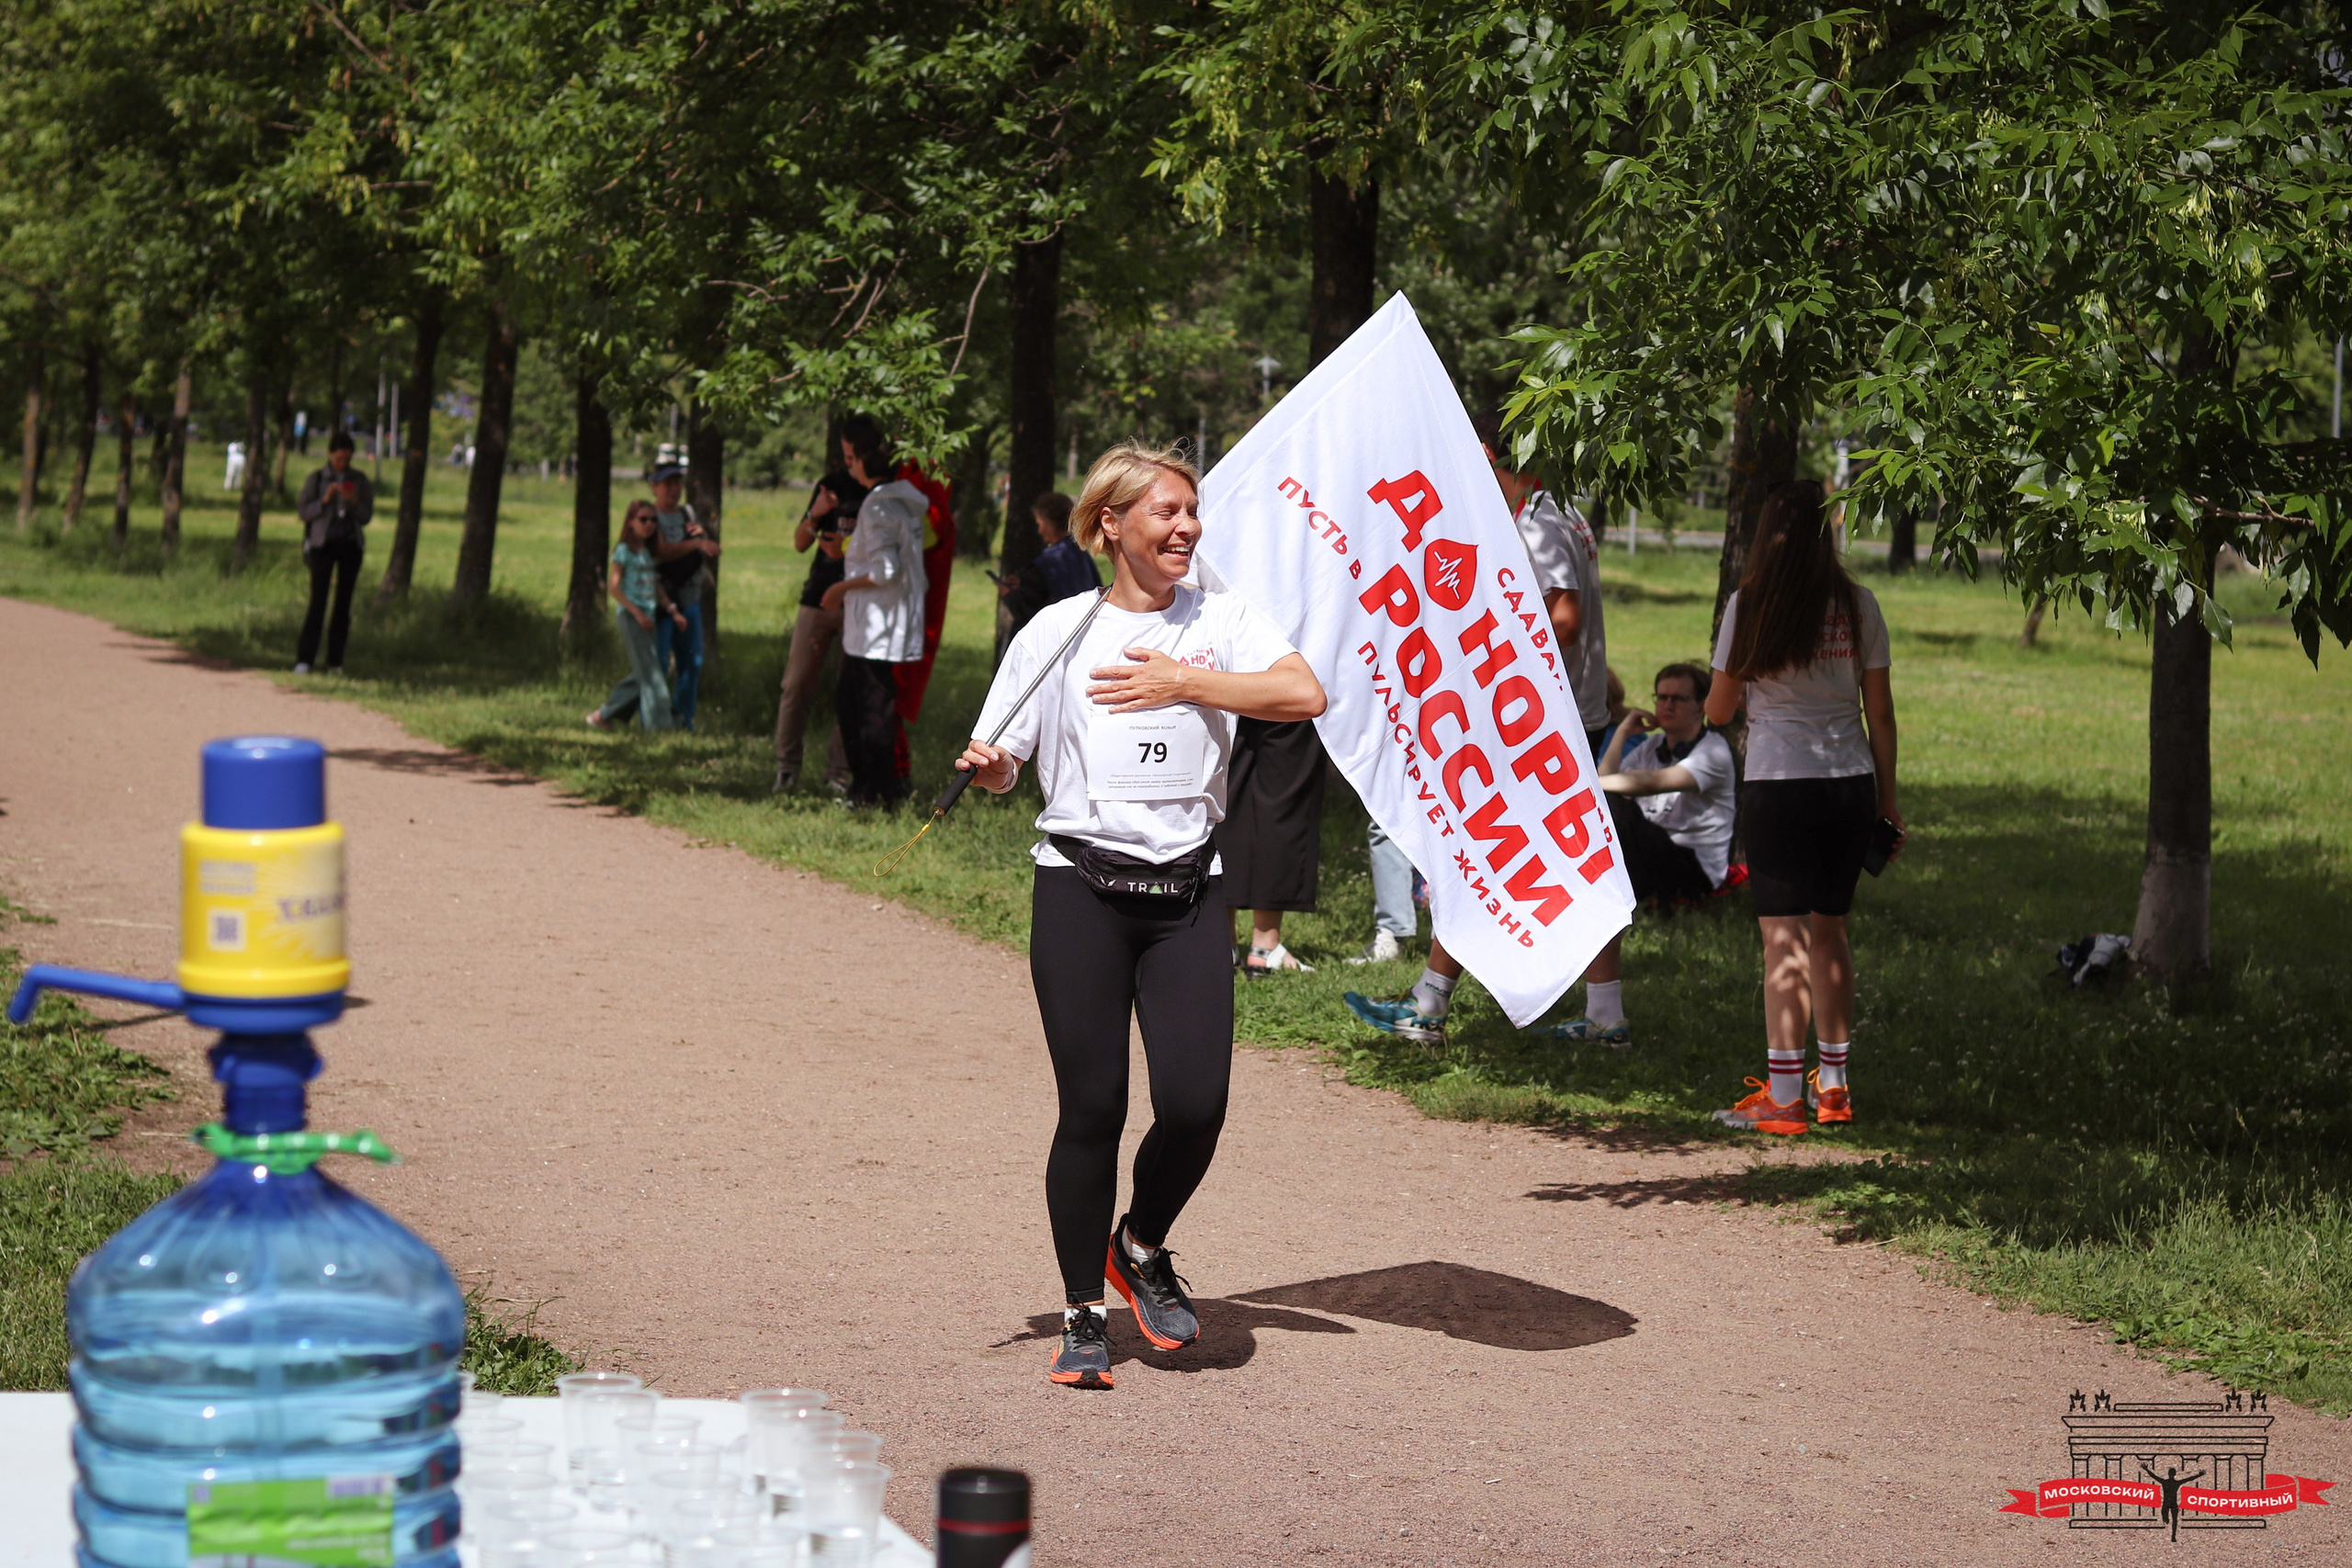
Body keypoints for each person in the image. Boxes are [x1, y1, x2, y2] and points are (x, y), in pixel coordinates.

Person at [955, 440, 1326, 1390]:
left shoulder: (1221, 620)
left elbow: (1302, 694)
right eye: (1167, 513)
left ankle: (1140, 1243)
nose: (1187, 528)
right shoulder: (1057, 633)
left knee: (1197, 1103)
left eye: (1192, 513)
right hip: (1080, 889)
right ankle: (1082, 1314)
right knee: (1094, 1106)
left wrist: (1183, 681)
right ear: (1110, 524)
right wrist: (994, 770)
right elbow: (999, 756)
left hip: (1188, 895)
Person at [1706, 479, 1901, 1134]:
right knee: (1832, 932)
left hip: (1778, 784)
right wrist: (1889, 799)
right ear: (1827, 531)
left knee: (1782, 940)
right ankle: (1837, 1088)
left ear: (1765, 535)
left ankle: (1786, 1095)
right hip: (1849, 783)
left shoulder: (1749, 605)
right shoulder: (1859, 603)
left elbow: (1719, 710)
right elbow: (1880, 712)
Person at [823, 419, 929, 807]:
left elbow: (887, 570)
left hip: (877, 629)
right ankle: (874, 788)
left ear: (868, 459)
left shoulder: (880, 504)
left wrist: (839, 587)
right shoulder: (900, 499)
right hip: (881, 626)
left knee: (867, 713)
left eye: (852, 458)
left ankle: (875, 792)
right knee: (859, 707)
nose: (849, 467)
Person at [772, 457, 869, 795]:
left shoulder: (880, 491)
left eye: (854, 453)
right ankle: (786, 769)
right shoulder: (831, 485)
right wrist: (816, 511)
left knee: (849, 692)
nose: (850, 460)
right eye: (846, 452)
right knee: (795, 684)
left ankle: (837, 775)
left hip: (859, 604)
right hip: (817, 600)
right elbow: (800, 543)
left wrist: (844, 552)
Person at [586, 501, 684, 732]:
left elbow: (655, 587)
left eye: (653, 520)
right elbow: (614, 588)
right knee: (651, 673)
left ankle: (603, 715)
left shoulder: (648, 553)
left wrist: (672, 610)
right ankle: (658, 726)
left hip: (648, 617)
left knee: (645, 671)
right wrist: (637, 613)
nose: (649, 524)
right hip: (632, 618)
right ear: (631, 522)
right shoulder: (624, 551)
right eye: (643, 519)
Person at [647, 463, 720, 731]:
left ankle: (682, 719)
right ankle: (654, 721)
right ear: (654, 486)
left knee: (692, 662)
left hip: (690, 599)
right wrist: (695, 544)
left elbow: (707, 549)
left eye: (678, 483)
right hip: (659, 602)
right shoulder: (648, 517)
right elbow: (661, 552)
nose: (674, 489)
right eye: (668, 484)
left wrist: (700, 538)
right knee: (658, 663)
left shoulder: (688, 513)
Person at [293, 430, 374, 674]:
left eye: (347, 459)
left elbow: (366, 516)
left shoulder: (359, 480)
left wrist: (353, 500)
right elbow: (303, 512)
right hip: (322, 545)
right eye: (339, 458)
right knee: (317, 602)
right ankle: (305, 659)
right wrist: (324, 501)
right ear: (330, 455)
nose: (342, 464)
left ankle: (335, 661)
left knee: (343, 606)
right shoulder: (317, 479)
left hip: (349, 545)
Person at [999, 492, 1102, 641]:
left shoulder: (1047, 562)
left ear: (1050, 522)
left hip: (1053, 641)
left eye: (1040, 524)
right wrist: (1023, 584)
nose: (1039, 531)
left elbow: (1027, 610)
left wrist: (1009, 595)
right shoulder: (1081, 555)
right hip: (1082, 635)